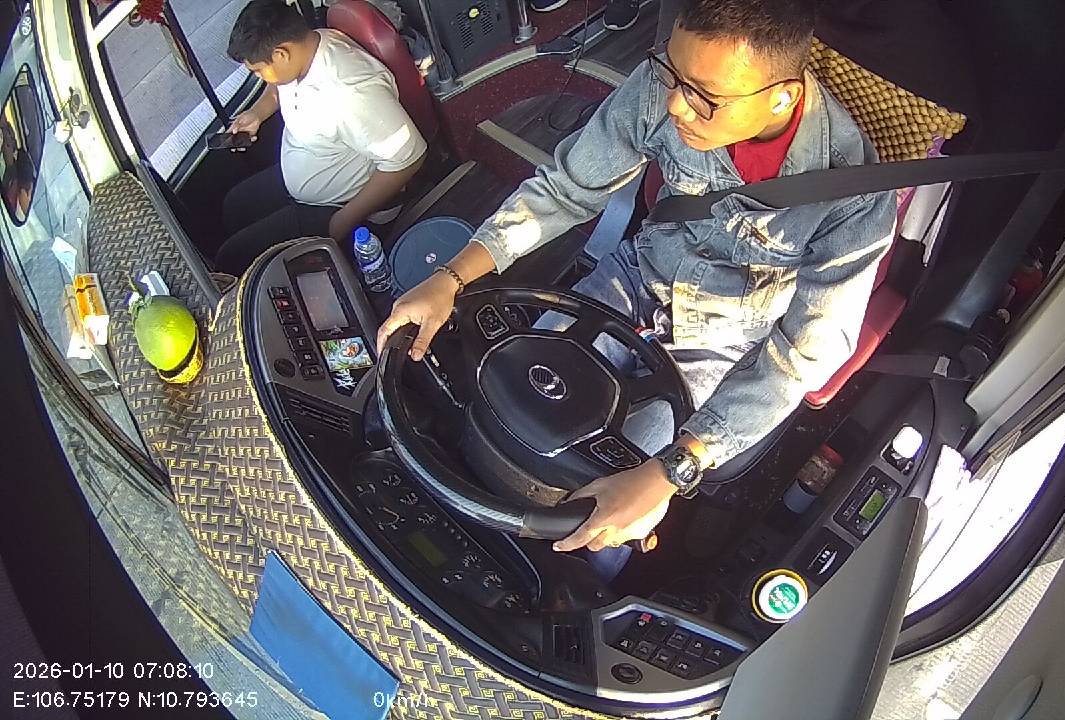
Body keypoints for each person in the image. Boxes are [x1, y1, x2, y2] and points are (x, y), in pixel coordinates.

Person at [378, 0, 894, 560]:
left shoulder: (855, 198)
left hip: (722, 347)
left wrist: (673, 470)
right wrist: (451, 277)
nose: (675, 104)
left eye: (704, 97)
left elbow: (800, 356)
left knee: (598, 524)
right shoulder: (664, 84)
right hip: (632, 278)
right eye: (672, 72)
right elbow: (567, 188)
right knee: (501, 402)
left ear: (782, 97)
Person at [215, 0, 427, 274]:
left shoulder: (349, 92)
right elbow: (277, 86)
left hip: (336, 206)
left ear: (281, 54)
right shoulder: (307, 47)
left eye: (257, 71)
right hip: (307, 172)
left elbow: (409, 158)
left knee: (231, 258)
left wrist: (341, 222)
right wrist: (257, 113)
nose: (260, 77)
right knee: (234, 206)